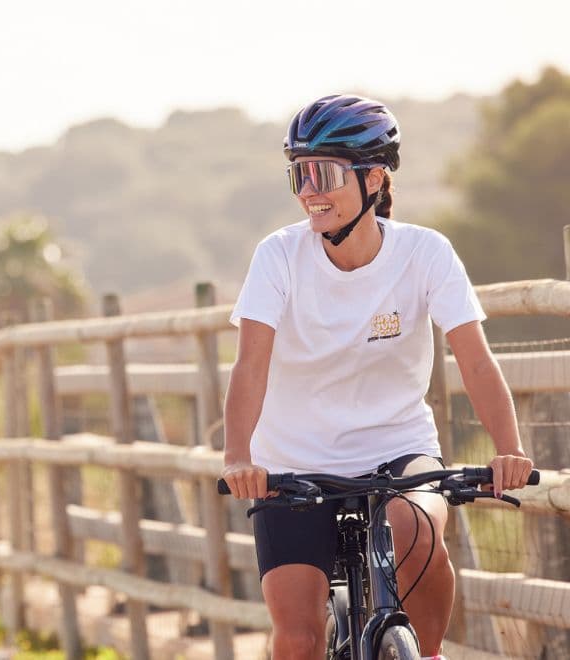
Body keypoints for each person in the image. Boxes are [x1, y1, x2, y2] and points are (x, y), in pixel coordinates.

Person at [220, 94, 535, 660]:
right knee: (297, 639)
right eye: (299, 174)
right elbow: (250, 365)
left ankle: (427, 652)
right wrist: (239, 456)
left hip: (398, 446)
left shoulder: (426, 253)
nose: (310, 190)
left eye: (324, 172)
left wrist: (509, 448)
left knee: (413, 521)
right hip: (293, 460)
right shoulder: (278, 257)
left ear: (374, 178)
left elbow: (475, 359)